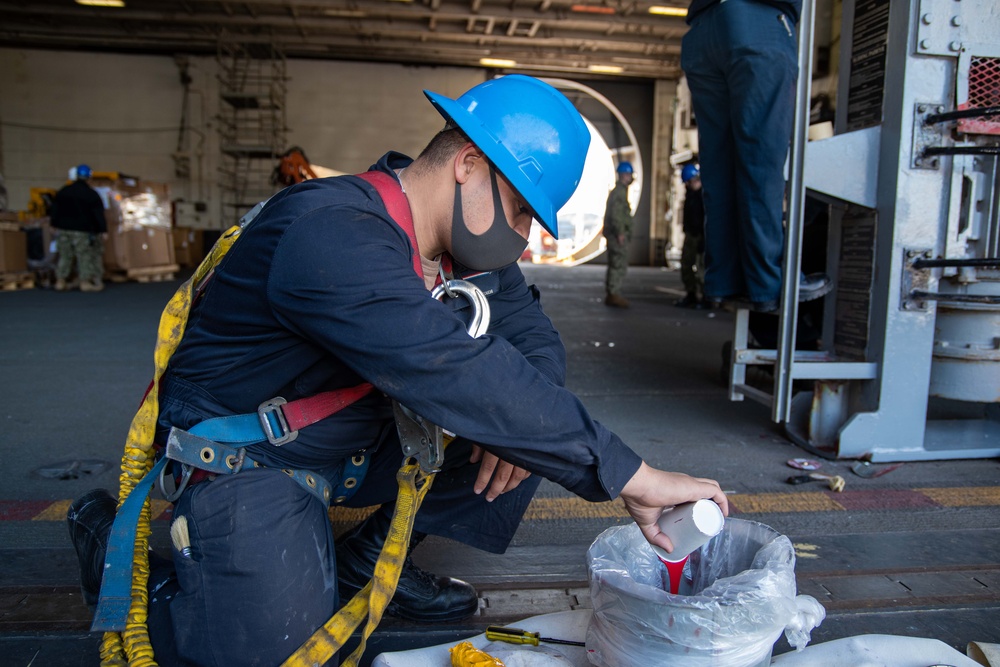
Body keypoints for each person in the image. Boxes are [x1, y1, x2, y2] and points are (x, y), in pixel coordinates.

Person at [67, 75, 728, 666]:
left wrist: (529, 422)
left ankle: (364, 565)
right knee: (274, 648)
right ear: (470, 164)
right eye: (523, 210)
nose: (523, 237)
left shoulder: (462, 253)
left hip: (345, 445)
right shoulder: (332, 232)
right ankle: (121, 563)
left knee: (528, 425)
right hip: (252, 457)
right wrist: (632, 475)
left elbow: (534, 344)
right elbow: (451, 368)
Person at [681, 0, 832, 313]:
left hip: (702, 33)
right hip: (758, 22)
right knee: (760, 162)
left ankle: (723, 281)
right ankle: (768, 283)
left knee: (718, 169)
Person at [51, 164, 107, 292]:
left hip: (64, 229)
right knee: (84, 255)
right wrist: (102, 230)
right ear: (89, 178)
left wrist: (53, 224)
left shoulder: (64, 191)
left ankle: (60, 280)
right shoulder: (91, 194)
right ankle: (85, 281)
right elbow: (98, 213)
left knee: (65, 255)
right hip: (82, 231)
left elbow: (54, 209)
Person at [603, 161, 635, 308]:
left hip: (615, 234)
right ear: (623, 175)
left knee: (616, 263)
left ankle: (613, 293)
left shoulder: (619, 191)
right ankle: (613, 294)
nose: (630, 177)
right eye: (628, 174)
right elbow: (616, 214)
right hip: (617, 236)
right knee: (618, 264)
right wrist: (620, 233)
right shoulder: (619, 192)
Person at [675, 163, 707, 309]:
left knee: (701, 268)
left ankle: (705, 298)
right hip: (690, 235)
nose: (687, 185)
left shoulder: (704, 197)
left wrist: (704, 238)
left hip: (701, 236)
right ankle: (691, 294)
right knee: (686, 265)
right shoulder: (691, 195)